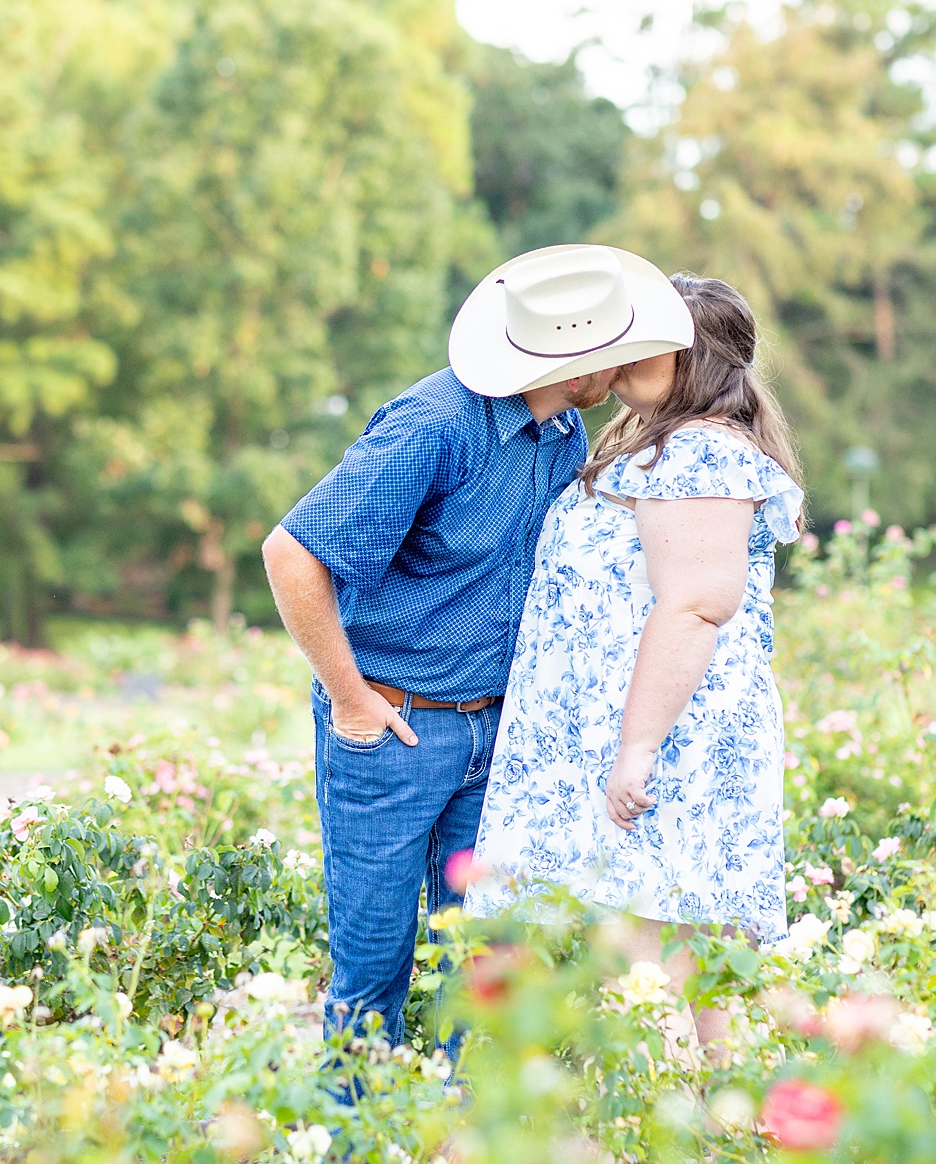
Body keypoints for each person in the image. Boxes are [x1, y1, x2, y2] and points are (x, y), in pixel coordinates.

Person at [262, 244, 692, 1048]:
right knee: (373, 966)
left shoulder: (561, 434)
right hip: (395, 727)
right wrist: (352, 698)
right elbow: (292, 554)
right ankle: (359, 1135)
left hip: (495, 734)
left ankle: (462, 1130)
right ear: (579, 368)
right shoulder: (435, 426)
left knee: (486, 960)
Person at [464, 275, 805, 999]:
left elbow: (694, 606)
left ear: (694, 356)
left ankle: (680, 1111)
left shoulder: (701, 452)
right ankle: (715, 1112)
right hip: (645, 733)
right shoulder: (662, 444)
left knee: (653, 978)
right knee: (677, 975)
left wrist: (639, 748)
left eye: (644, 338)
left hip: (667, 743)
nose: (621, 349)